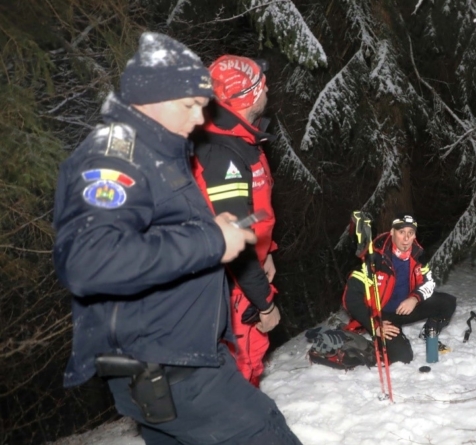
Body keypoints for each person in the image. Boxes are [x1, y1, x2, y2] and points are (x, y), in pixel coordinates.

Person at [52, 32, 302, 443]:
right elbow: (88, 261)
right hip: (171, 366)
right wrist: (213, 241)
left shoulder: (160, 155)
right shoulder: (112, 158)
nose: (201, 119)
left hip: (181, 358)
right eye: (190, 106)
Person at [192, 54, 279, 388]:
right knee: (239, 371)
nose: (267, 86)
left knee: (250, 366)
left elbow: (253, 210)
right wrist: (264, 302)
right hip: (231, 288)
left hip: (245, 279)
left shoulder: (239, 139)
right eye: (261, 83)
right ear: (247, 97)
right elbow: (233, 241)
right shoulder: (222, 154)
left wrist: (268, 249)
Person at [342, 214, 457, 364]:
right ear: (392, 232)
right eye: (401, 232)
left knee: (447, 302)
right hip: (382, 317)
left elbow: (429, 283)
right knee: (403, 358)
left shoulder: (418, 255)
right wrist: (375, 325)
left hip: (405, 308)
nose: (406, 238)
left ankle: (430, 333)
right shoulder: (374, 258)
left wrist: (415, 298)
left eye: (410, 233)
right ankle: (379, 342)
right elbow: (351, 298)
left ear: (414, 235)